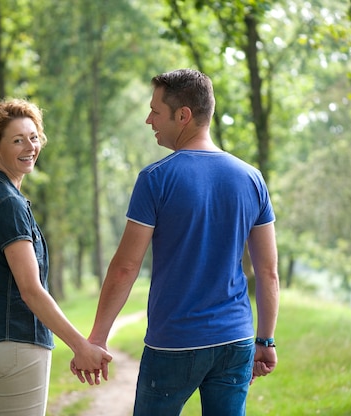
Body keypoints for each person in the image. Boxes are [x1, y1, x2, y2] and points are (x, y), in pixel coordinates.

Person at [72, 69, 279, 416]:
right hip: (235, 341)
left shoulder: (156, 179)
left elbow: (125, 268)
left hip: (173, 344)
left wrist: (97, 338)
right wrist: (265, 339)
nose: (148, 119)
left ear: (183, 115)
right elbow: (268, 271)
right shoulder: (252, 178)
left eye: (155, 110)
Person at [0, 98, 112, 416]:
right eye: (17, 140)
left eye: (34, 136)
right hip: (16, 344)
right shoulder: (9, 204)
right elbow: (31, 290)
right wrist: (81, 346)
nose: (30, 146)